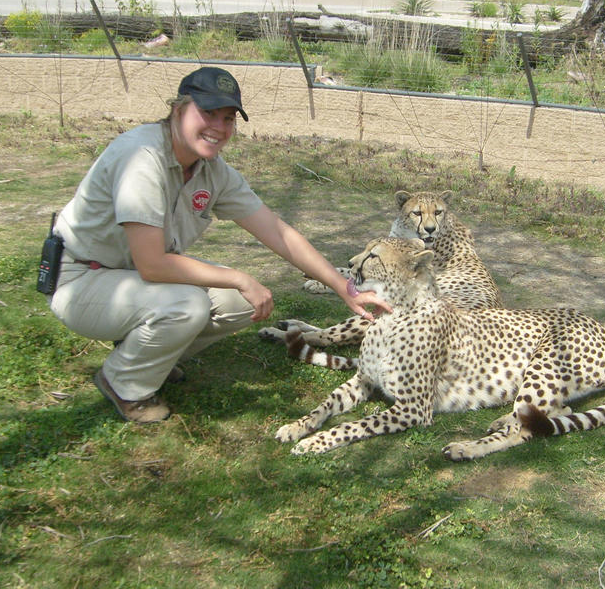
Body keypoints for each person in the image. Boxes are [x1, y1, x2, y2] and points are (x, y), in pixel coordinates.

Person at [48, 66, 389, 423]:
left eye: (228, 118)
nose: (218, 127)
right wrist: (240, 277)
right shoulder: (141, 157)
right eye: (207, 113)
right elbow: (152, 264)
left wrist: (342, 287)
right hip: (81, 278)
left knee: (240, 302)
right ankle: (123, 384)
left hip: (133, 281)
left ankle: (149, 358)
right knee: (190, 303)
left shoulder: (211, 170)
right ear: (178, 109)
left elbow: (276, 230)